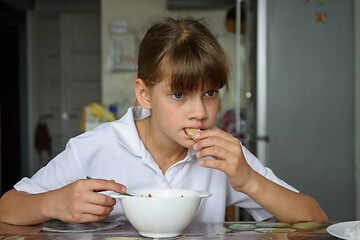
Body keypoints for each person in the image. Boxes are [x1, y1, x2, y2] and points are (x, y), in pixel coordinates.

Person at [0, 17, 328, 225]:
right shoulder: (95, 147)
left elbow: (315, 217)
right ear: (144, 94)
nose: (200, 111)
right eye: (179, 95)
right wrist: (52, 203)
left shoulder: (223, 154)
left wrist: (248, 180)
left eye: (210, 92)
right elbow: (7, 209)